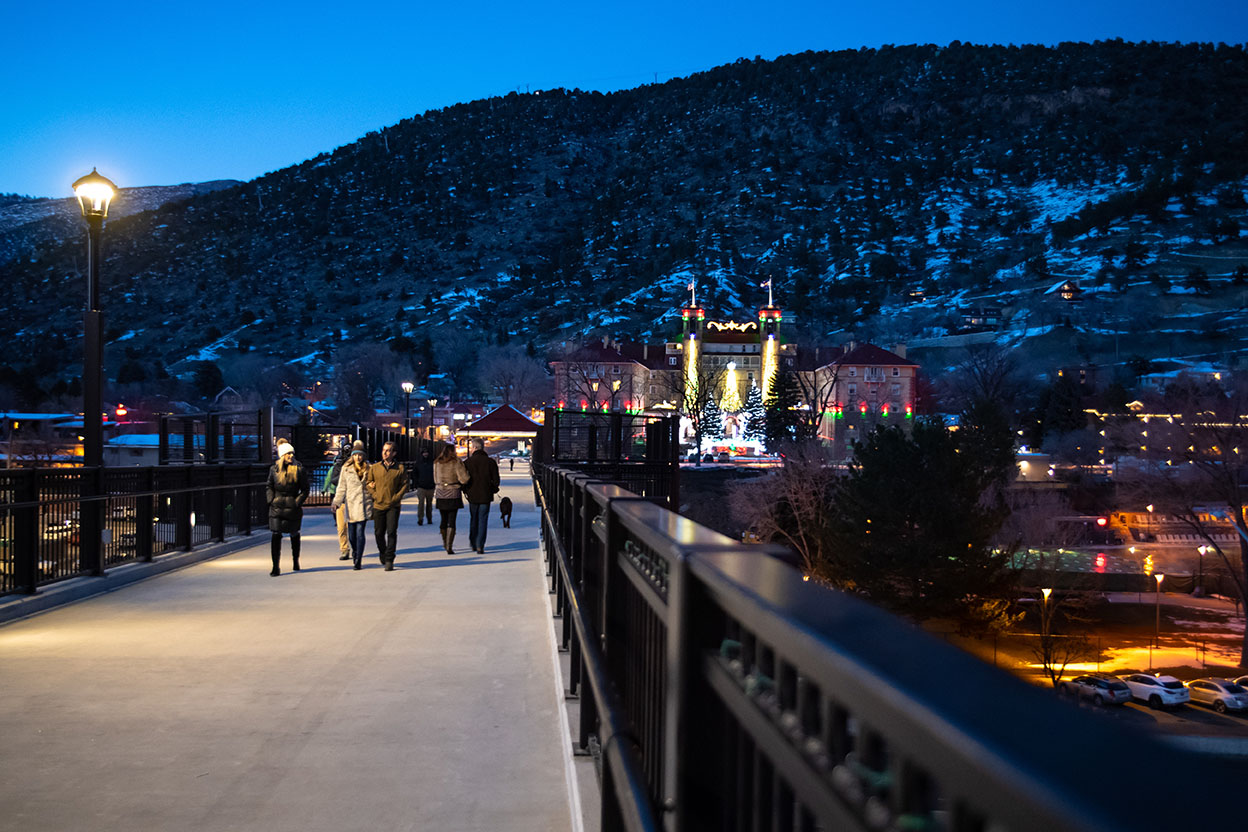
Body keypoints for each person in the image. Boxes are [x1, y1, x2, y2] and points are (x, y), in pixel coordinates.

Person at [266, 441, 309, 577]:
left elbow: (305, 489)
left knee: (294, 534)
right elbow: (269, 485)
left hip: (292, 506)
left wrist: (297, 502)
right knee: (276, 535)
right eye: (288, 453)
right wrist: (271, 500)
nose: (291, 455)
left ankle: (295, 560)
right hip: (277, 506)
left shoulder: (298, 469)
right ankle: (275, 566)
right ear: (282, 455)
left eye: (292, 453)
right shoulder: (274, 469)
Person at [366, 441, 409, 571]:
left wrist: (396, 498)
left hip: (393, 505)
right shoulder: (375, 467)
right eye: (384, 450)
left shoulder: (400, 468)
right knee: (379, 533)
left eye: (388, 450)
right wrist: (375, 495)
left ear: (394, 453)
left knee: (391, 532)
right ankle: (383, 552)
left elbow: (405, 485)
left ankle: (390, 558)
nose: (385, 453)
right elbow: (368, 482)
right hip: (378, 505)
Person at [331, 440, 373, 570]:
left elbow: (374, 483)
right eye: (355, 455)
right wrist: (336, 502)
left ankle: (358, 559)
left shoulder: (369, 468)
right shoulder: (346, 468)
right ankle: (354, 551)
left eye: (360, 455)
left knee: (360, 533)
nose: (358, 457)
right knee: (352, 534)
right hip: (350, 503)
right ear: (352, 456)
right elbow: (341, 487)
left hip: (364, 503)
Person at [433, 443, 470, 554]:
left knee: (443, 519)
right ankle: (449, 545)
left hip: (440, 493)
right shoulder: (456, 462)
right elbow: (464, 479)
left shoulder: (437, 462)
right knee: (451, 520)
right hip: (453, 492)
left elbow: (435, 478)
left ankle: (444, 542)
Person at [465, 438, 500, 554]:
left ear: (474, 448)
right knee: (483, 520)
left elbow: (463, 479)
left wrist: (465, 490)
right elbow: (496, 480)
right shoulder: (490, 462)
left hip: (472, 495)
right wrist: (493, 489)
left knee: (473, 518)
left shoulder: (468, 462)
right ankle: (480, 544)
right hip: (486, 495)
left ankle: (473, 541)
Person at [327, 440, 352, 560]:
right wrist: (345, 476)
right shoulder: (339, 465)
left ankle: (355, 548)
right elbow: (333, 479)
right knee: (341, 527)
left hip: (353, 499)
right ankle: (344, 549)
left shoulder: (357, 465)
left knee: (352, 527)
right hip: (341, 498)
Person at [414, 445, 435, 526]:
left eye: (426, 452)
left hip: (430, 486)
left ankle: (429, 518)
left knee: (429, 504)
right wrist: (417, 483)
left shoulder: (431, 462)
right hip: (421, 486)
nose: (425, 454)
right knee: (421, 503)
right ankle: (420, 518)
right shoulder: (419, 463)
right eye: (424, 453)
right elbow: (415, 473)